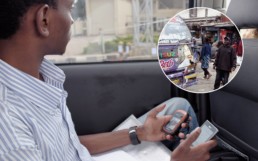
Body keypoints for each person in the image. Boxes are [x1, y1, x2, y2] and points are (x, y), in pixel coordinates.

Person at [0, 0, 216, 161]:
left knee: (178, 106)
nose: (73, 19)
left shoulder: (38, 78)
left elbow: (68, 146)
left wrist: (140, 133)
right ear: (44, 19)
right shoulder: (9, 130)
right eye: (71, 8)